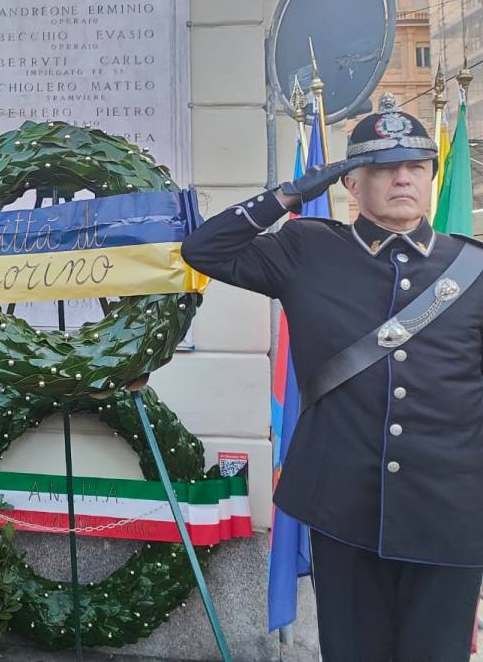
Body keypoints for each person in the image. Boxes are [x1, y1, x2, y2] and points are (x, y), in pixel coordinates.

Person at [181, 95, 483, 661]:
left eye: (416, 167)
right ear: (351, 184)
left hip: (452, 512)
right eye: (382, 168)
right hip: (344, 507)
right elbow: (203, 249)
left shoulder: (473, 268)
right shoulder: (308, 249)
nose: (402, 179)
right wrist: (290, 194)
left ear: (432, 179)